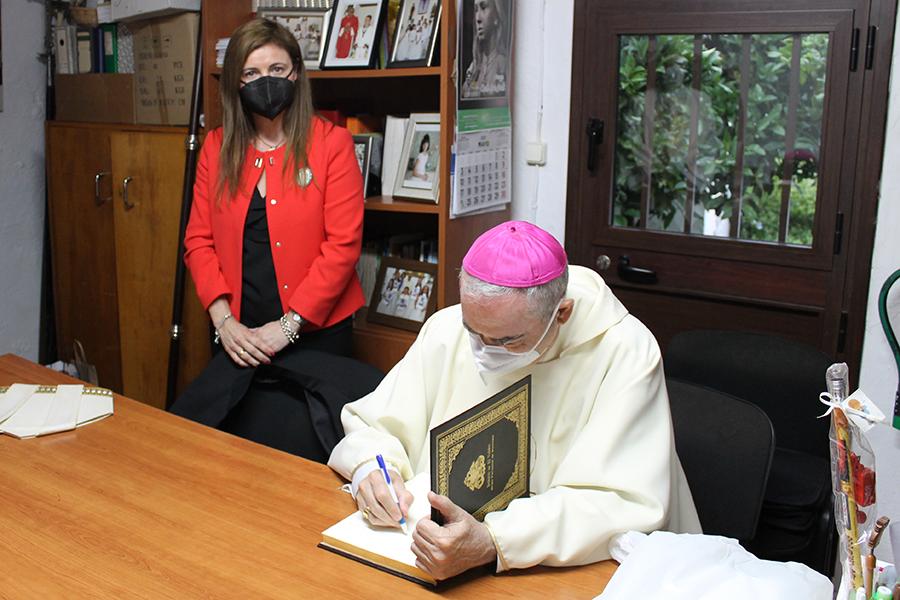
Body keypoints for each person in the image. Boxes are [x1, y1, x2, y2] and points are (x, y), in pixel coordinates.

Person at [328, 221, 700, 580]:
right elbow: (375, 424)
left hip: (579, 573)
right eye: (474, 333)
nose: (485, 352)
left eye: (508, 341)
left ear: (562, 313)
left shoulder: (624, 351)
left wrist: (494, 540)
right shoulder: (447, 328)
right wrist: (372, 470)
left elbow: (618, 502)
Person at [172, 18, 367, 462]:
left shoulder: (331, 144)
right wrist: (225, 324)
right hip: (238, 336)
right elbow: (197, 241)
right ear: (236, 82)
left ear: (296, 73)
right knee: (225, 455)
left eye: (277, 70)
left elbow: (342, 247)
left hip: (314, 336)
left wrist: (286, 328)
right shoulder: (217, 147)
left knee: (299, 458)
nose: (267, 82)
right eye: (253, 73)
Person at [461, 0, 508, 99]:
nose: (478, 18)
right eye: (475, 10)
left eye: (483, 7)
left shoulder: (504, 64)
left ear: (496, 15)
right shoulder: (473, 67)